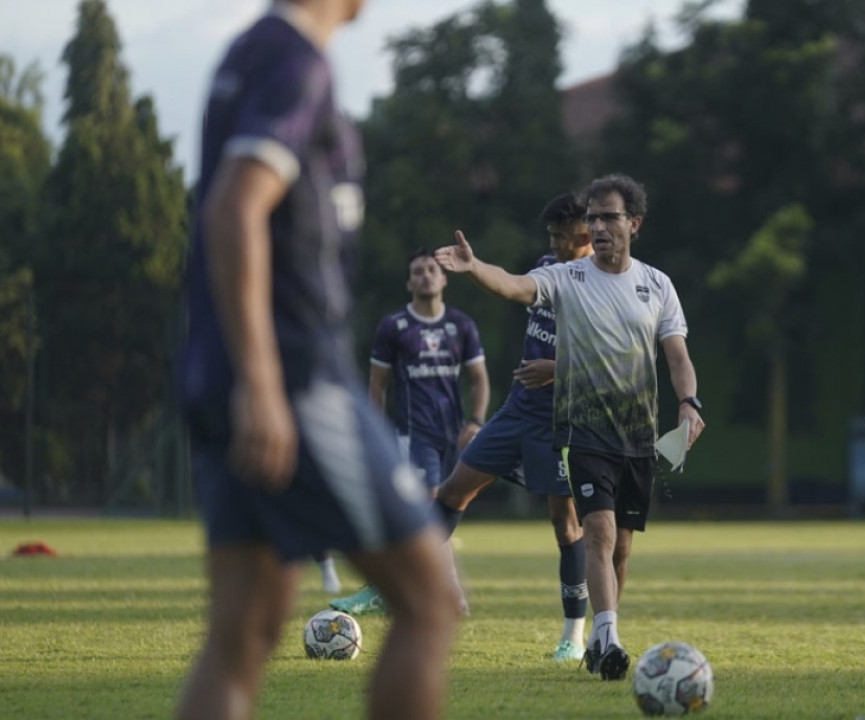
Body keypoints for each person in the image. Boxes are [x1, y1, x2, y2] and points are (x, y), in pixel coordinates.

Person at [174, 2, 459, 719]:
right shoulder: (295, 63)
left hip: (220, 374)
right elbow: (235, 208)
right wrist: (265, 384)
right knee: (429, 601)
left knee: (241, 633)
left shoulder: (248, 54)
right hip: (291, 380)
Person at [434, 173, 705, 681]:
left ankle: (600, 634)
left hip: (637, 433)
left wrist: (688, 401)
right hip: (582, 431)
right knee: (597, 531)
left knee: (621, 545)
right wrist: (474, 269)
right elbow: (516, 287)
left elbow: (676, 355)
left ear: (634, 224)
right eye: (594, 218)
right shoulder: (566, 278)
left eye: (609, 218)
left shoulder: (658, 284)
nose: (599, 226)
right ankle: (607, 639)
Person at [432, 192, 594, 662]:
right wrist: (476, 265)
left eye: (561, 237)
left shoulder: (604, 284)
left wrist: (556, 369)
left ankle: (573, 633)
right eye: (552, 237)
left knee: (566, 527)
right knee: (451, 493)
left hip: (561, 421)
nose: (554, 245)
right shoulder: (549, 265)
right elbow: (511, 284)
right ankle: (401, 583)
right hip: (516, 413)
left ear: (584, 235)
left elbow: (617, 360)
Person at [330, 249, 490, 615]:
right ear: (408, 282)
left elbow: (479, 379)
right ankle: (432, 591)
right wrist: (375, 432)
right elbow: (377, 384)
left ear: (445, 278)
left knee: (442, 509)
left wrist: (476, 421)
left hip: (454, 435)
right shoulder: (395, 326)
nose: (425, 276)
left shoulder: (461, 325)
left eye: (432, 270)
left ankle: (419, 588)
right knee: (427, 506)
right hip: (413, 434)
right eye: (417, 271)